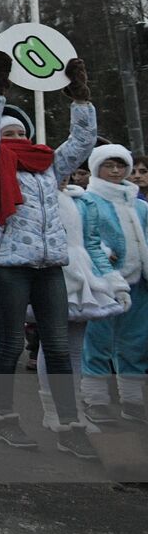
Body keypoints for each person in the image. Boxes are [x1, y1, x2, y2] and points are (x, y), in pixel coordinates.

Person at [0, 52, 97, 457]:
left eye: (20, 132)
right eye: (8, 133)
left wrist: (80, 97)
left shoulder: (48, 166)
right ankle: (6, 422)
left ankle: (69, 426)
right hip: (9, 266)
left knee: (56, 346)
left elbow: (82, 142)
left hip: (49, 265)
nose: (15, 138)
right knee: (9, 343)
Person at [40, 166, 127, 430]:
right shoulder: (38, 199)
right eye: (58, 170)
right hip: (52, 273)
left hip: (83, 277)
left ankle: (74, 409)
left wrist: (114, 281)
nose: (64, 175)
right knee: (52, 344)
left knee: (76, 347)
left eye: (67, 170)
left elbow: (91, 243)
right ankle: (51, 411)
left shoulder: (82, 201)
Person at [79, 144, 148, 426]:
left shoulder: (140, 205)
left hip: (139, 282)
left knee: (135, 342)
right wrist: (104, 255)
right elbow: (85, 238)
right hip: (104, 282)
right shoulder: (88, 201)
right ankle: (95, 400)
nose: (116, 171)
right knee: (98, 341)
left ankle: (132, 400)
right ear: (97, 168)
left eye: (121, 165)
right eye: (109, 165)